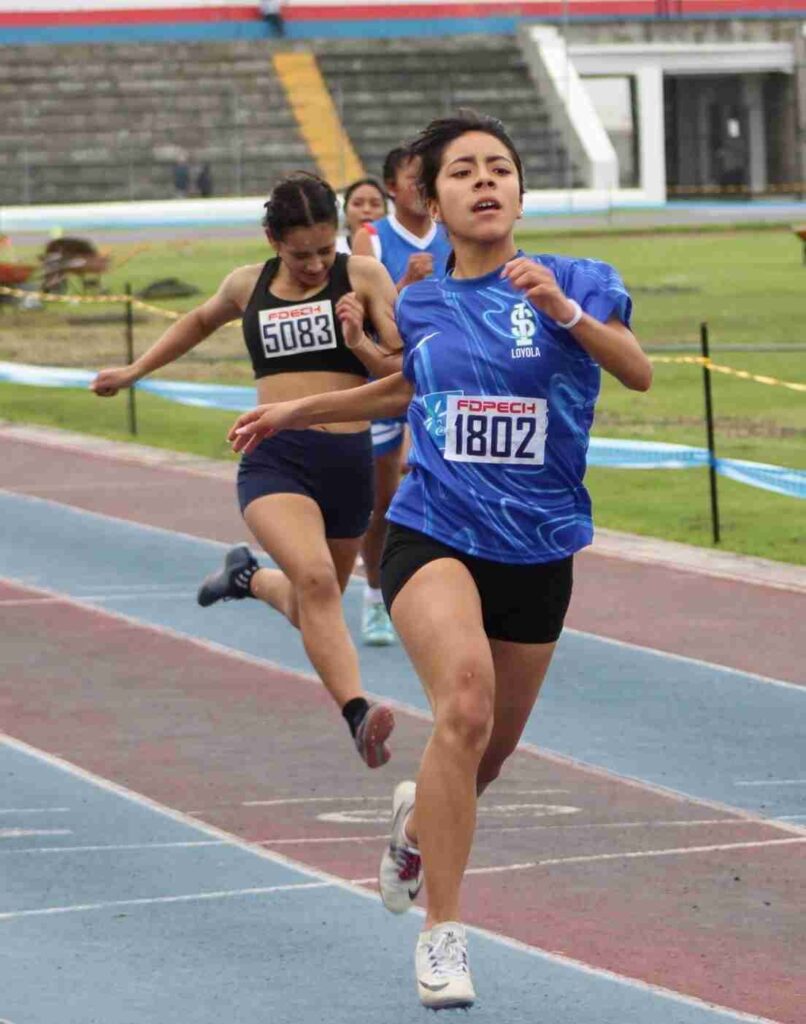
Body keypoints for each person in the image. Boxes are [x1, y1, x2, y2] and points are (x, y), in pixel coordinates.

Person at [227, 111, 652, 1010]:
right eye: (465, 171)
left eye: (501, 168)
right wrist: (291, 414)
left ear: (523, 193)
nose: (486, 181)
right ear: (436, 198)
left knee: (482, 759)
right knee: (461, 704)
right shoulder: (421, 297)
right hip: (434, 528)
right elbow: (414, 381)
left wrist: (563, 313)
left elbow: (637, 370)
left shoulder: (580, 279)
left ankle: (418, 824)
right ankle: (445, 936)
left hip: (539, 544)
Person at [91, 171, 405, 770]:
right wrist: (133, 372)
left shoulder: (361, 275)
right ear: (271, 239)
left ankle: (247, 579)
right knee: (315, 583)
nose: (315, 265)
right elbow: (196, 322)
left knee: (318, 602)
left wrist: (360, 337)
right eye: (300, 253)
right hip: (275, 458)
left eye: (324, 249)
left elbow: (399, 363)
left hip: (347, 464)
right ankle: (359, 714)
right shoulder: (246, 285)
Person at [351, 146, 452, 647]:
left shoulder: (453, 232)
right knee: (384, 501)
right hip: (390, 374)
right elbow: (365, 312)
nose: (424, 185)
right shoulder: (370, 237)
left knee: (445, 484)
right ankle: (374, 596)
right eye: (416, 178)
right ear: (393, 187)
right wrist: (405, 282)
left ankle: (446, 594)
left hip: (446, 378)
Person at [335, 176, 387, 256]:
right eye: (357, 204)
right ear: (345, 210)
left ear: (385, 212)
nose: (366, 210)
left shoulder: (396, 252)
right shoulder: (334, 250)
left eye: (375, 204)